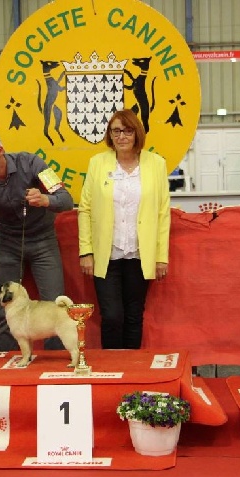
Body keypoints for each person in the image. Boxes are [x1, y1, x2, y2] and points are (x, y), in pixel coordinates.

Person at [0, 130, 74, 351]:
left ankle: (55, 374)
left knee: (55, 307)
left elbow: (66, 200)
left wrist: (46, 199)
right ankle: (3, 372)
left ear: (0, 150)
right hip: (7, 245)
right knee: (4, 310)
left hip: (43, 241)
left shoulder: (32, 163)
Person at [78, 109, 170, 349]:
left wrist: (161, 257)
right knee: (111, 316)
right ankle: (111, 368)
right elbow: (85, 209)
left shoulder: (156, 164)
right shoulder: (97, 163)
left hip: (140, 254)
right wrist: (86, 251)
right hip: (106, 254)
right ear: (110, 134)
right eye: (116, 131)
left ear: (136, 132)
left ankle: (132, 368)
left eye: (127, 130)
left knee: (133, 316)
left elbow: (162, 214)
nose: (121, 136)